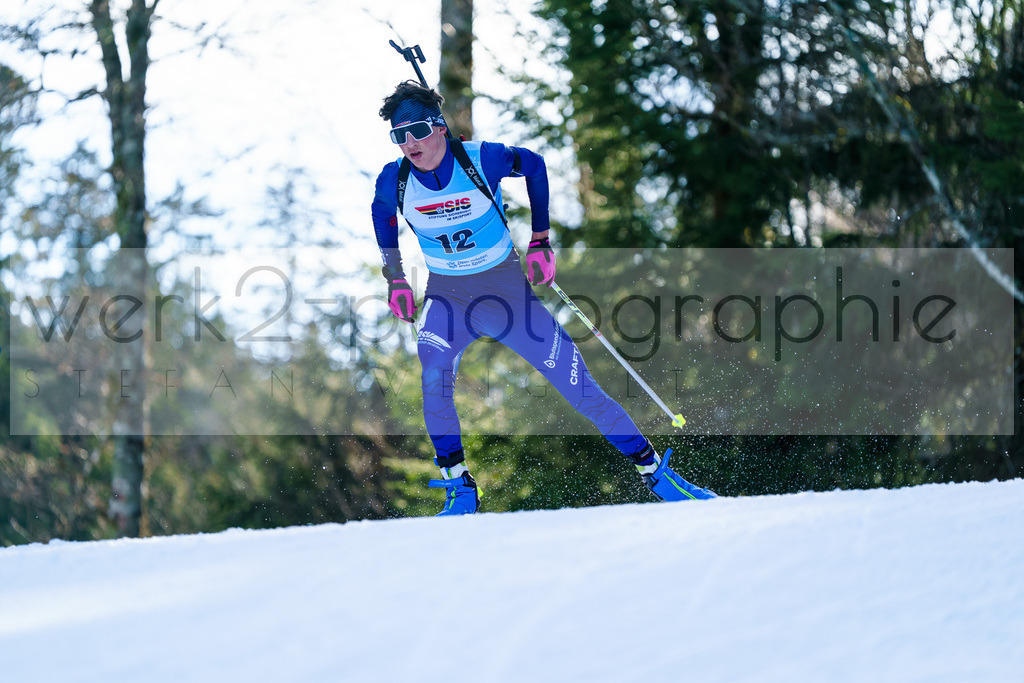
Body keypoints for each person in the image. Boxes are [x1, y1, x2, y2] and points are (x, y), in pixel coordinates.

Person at [371, 80, 715, 515]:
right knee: (433, 371)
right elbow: (381, 214)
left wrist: (540, 241)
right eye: (398, 136)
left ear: (439, 127)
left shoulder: (482, 159)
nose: (409, 143)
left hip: (507, 296)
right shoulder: (395, 179)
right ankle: (460, 487)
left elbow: (534, 166)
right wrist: (396, 279)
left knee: (581, 390)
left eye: (417, 130)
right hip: (448, 299)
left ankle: (656, 473)